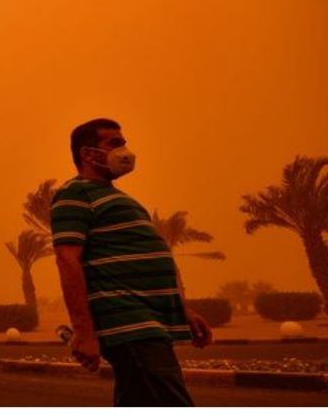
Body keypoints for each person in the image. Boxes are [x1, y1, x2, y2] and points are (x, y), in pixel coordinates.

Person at [51, 118, 212, 407]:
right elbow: (67, 260)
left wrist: (182, 308)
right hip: (128, 322)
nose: (124, 150)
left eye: (123, 142)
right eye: (113, 143)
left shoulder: (118, 199)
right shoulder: (75, 193)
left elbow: (152, 253)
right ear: (87, 154)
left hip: (146, 323)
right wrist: (84, 332)